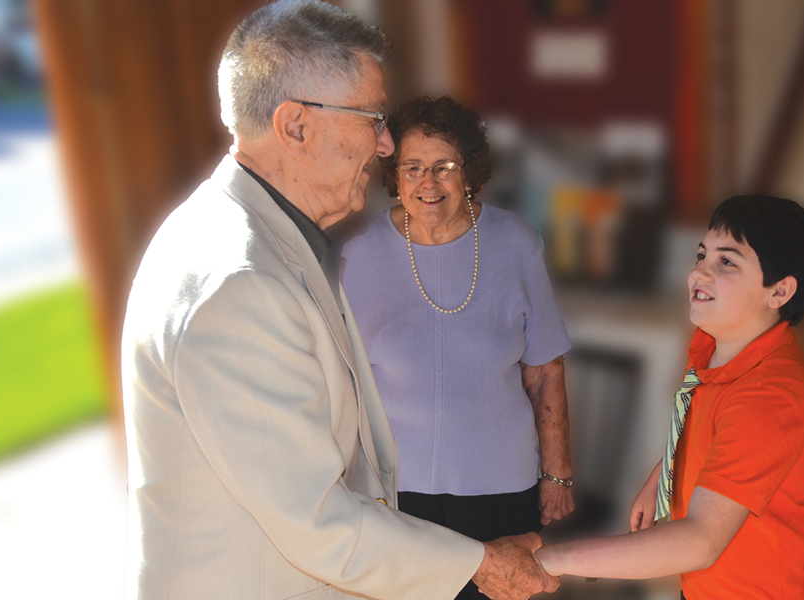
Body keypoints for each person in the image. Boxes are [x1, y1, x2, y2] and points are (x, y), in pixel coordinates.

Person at [120, 3, 558, 599]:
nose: (384, 146)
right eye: (372, 119)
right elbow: (317, 523)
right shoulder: (240, 284)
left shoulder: (262, 238)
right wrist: (481, 564)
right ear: (295, 125)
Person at [535, 195, 804, 599]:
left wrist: (552, 560)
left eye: (726, 262)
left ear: (779, 292)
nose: (698, 273)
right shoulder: (715, 347)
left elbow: (701, 540)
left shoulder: (770, 396)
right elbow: (715, 435)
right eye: (702, 255)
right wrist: (666, 470)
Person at [340, 95, 575, 600]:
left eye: (444, 166)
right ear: (394, 175)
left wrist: (557, 474)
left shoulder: (514, 243)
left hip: (501, 482)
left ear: (469, 173)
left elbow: (545, 370)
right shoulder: (358, 259)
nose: (428, 183)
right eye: (414, 167)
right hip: (397, 490)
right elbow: (343, 382)